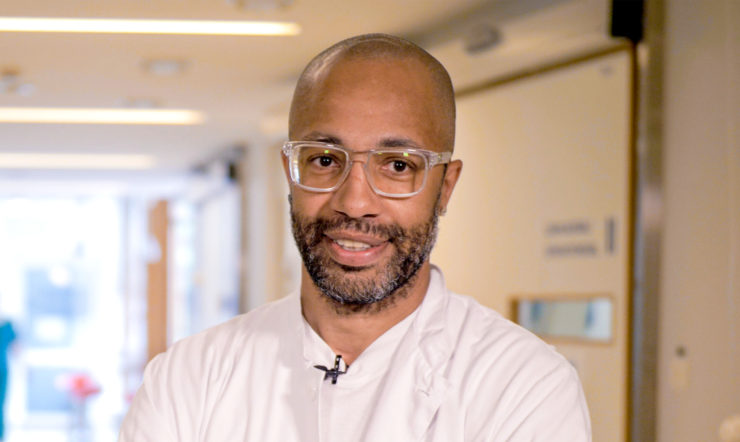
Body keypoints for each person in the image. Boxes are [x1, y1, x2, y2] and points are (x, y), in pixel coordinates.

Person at [119, 33, 591, 441]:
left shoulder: (522, 385)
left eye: (398, 166)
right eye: (325, 159)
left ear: (445, 187)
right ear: (291, 172)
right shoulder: (190, 378)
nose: (355, 201)